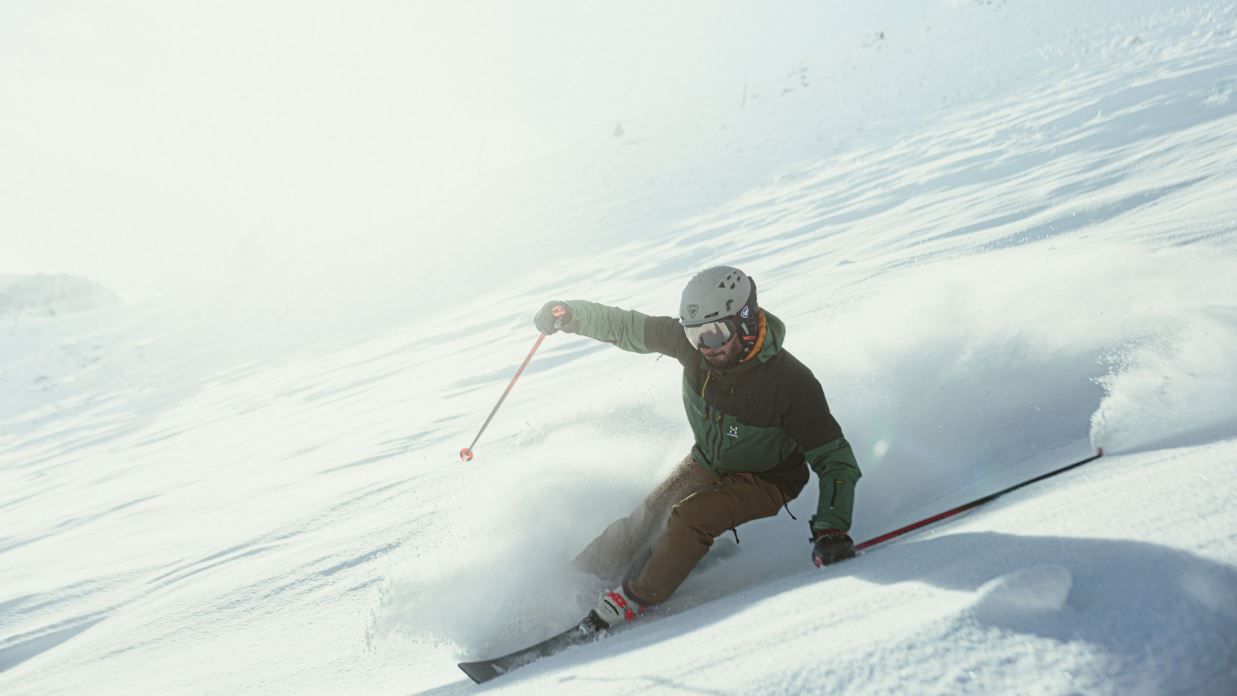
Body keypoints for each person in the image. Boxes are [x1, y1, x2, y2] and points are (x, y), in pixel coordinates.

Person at [533, 266, 861, 628]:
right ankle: (576, 578)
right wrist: (572, 315)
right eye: (694, 336)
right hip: (707, 461)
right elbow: (626, 326)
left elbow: (835, 459)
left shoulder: (790, 384)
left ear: (745, 321)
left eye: (715, 333)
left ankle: (636, 597)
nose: (705, 347)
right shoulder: (698, 352)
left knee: (690, 518)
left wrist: (832, 528)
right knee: (642, 520)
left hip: (767, 479)